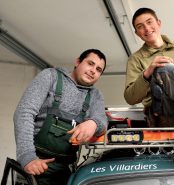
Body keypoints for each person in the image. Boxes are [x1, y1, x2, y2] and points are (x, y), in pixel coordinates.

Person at [14, 49, 108, 185]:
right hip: (34, 166)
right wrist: (27, 157)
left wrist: (93, 123)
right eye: (90, 63)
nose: (93, 70)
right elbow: (24, 113)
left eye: (99, 69)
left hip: (64, 172)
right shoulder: (50, 77)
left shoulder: (95, 95)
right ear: (78, 62)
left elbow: (102, 122)